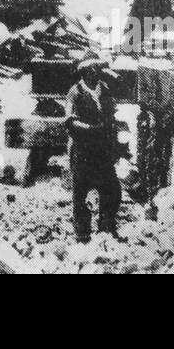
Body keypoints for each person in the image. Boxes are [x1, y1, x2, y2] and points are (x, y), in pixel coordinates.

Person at [63, 56, 122, 241]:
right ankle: (82, 233)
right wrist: (92, 129)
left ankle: (106, 226)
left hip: (102, 151)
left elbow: (112, 116)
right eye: (94, 69)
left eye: (98, 68)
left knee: (112, 190)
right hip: (82, 150)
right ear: (85, 72)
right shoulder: (76, 92)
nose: (98, 72)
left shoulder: (104, 89)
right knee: (80, 193)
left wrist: (114, 144)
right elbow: (70, 122)